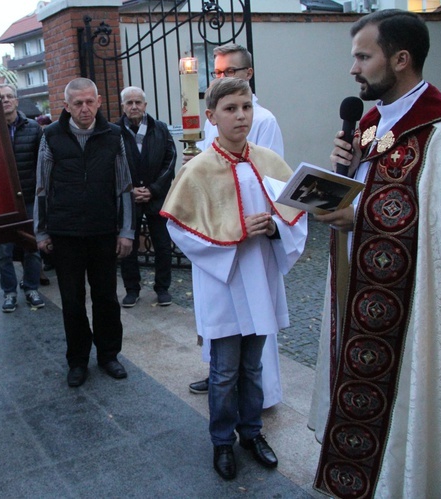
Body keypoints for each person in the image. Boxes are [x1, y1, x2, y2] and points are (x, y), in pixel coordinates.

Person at [308, 10, 441, 498]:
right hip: (358, 295)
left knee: (404, 407)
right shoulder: (370, 123)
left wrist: (361, 217)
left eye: (363, 56)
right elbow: (370, 194)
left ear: (401, 59)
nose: (353, 68)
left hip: (413, 314)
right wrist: (342, 181)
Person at [162, 77, 307, 480]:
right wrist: (233, 232)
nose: (240, 115)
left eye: (246, 107)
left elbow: (296, 213)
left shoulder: (269, 162)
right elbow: (179, 228)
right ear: (211, 117)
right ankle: (222, 441)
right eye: (230, 109)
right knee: (224, 372)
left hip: (259, 276)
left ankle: (252, 432)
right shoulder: (198, 170)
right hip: (223, 282)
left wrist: (277, 229)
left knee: (253, 367)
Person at [188, 44, 286, 408]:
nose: (222, 78)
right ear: (215, 115)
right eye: (217, 72)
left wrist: (271, 224)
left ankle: (262, 397)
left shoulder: (264, 121)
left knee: (257, 329)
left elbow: (273, 181)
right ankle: (220, 385)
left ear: (247, 74)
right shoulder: (214, 117)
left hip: (254, 242)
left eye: (229, 71)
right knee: (222, 337)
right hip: (218, 240)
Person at [34, 77, 135, 388]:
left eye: (90, 101)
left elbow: (125, 187)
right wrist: (41, 232)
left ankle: (108, 354)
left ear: (99, 101)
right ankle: (77, 360)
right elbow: (41, 187)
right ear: (66, 106)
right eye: (77, 103)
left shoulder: (113, 135)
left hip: (104, 230)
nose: (84, 108)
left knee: (106, 297)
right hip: (66, 233)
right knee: (72, 300)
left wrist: (127, 230)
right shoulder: (51, 136)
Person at [118, 86, 176, 308]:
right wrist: (129, 189)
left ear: (145, 105)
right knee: (127, 246)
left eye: (138, 102)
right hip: (128, 197)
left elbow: (170, 160)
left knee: (162, 245)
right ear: (123, 106)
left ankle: (162, 288)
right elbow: (111, 165)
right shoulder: (114, 132)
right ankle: (132, 289)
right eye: (129, 103)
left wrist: (153, 189)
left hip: (156, 196)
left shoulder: (160, 129)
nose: (134, 106)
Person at [0, 84, 45, 313]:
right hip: (1, 201)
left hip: (28, 197)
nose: (5, 100)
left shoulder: (34, 129)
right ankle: (9, 292)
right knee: (3, 251)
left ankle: (32, 288)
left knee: (32, 247)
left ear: (16, 101)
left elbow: (41, 164)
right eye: (1, 97)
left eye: (9, 97)